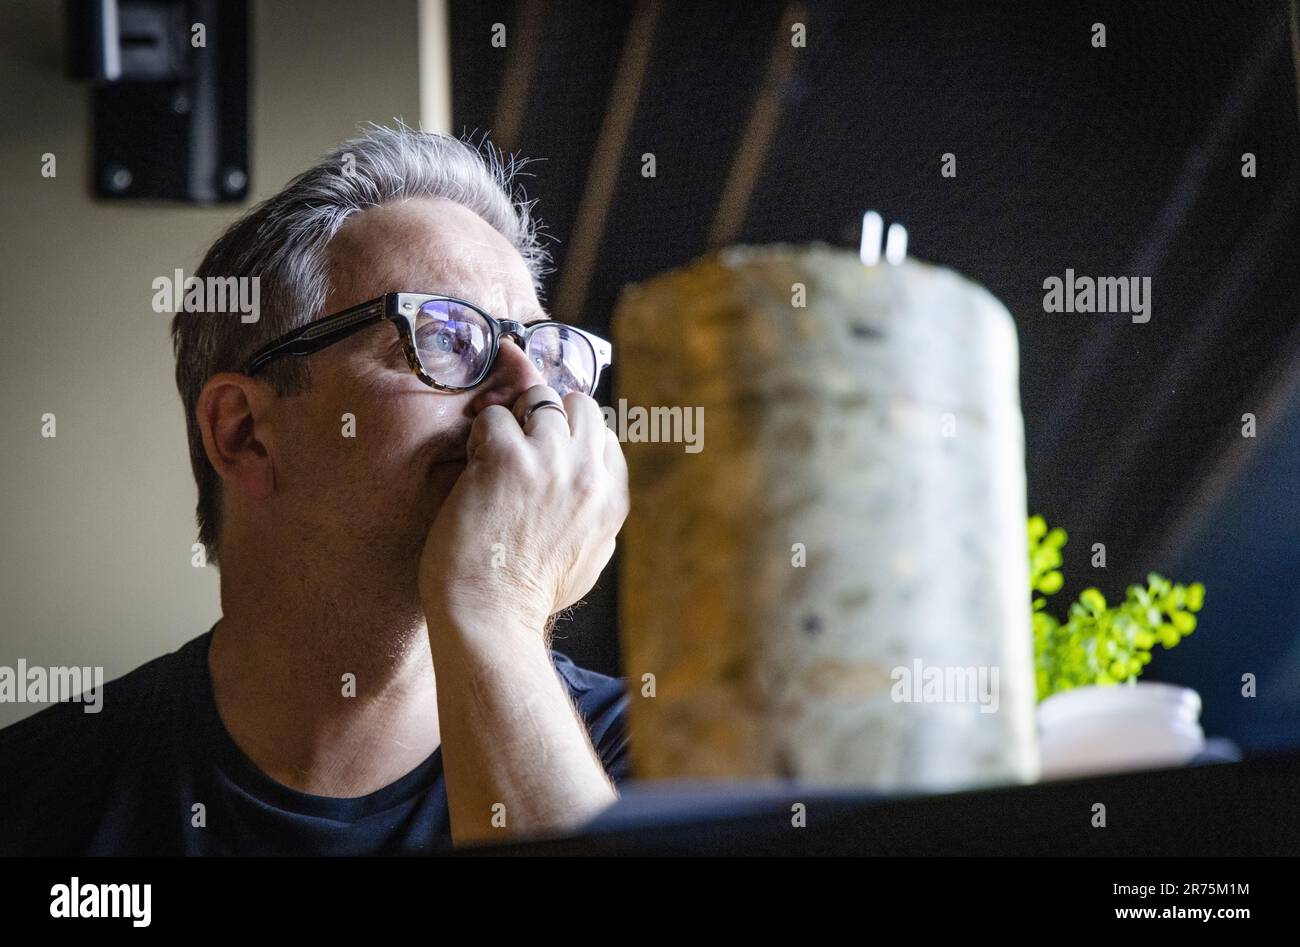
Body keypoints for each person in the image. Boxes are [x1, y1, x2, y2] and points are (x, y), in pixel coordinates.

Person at [0, 125, 631, 855]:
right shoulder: (33, 803)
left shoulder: (665, 760)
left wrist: (497, 604)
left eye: (546, 350)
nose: (531, 393)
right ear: (244, 434)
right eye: (446, 337)